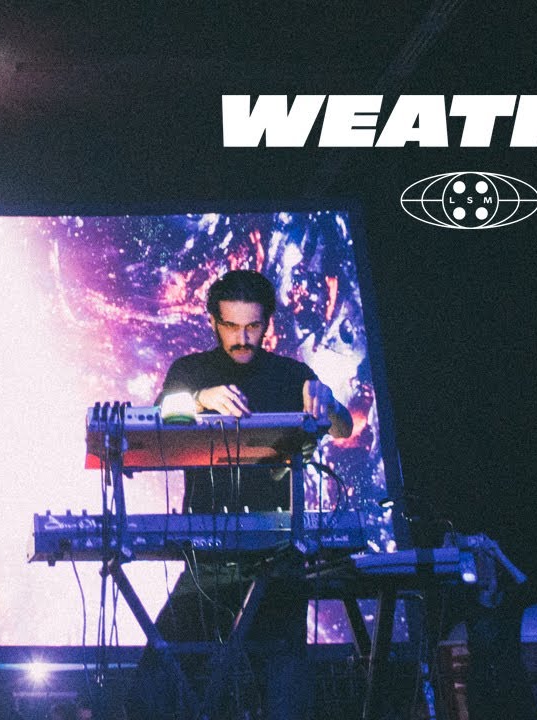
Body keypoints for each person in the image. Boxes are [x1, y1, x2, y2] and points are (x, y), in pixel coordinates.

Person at [132, 270, 351, 720]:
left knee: (283, 685)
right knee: (156, 681)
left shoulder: (291, 374)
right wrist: (199, 399)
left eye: (252, 326)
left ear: (267, 322)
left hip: (278, 553)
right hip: (208, 557)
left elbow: (343, 427)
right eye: (231, 326)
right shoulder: (191, 371)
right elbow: (154, 419)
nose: (242, 338)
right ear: (213, 321)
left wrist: (327, 400)